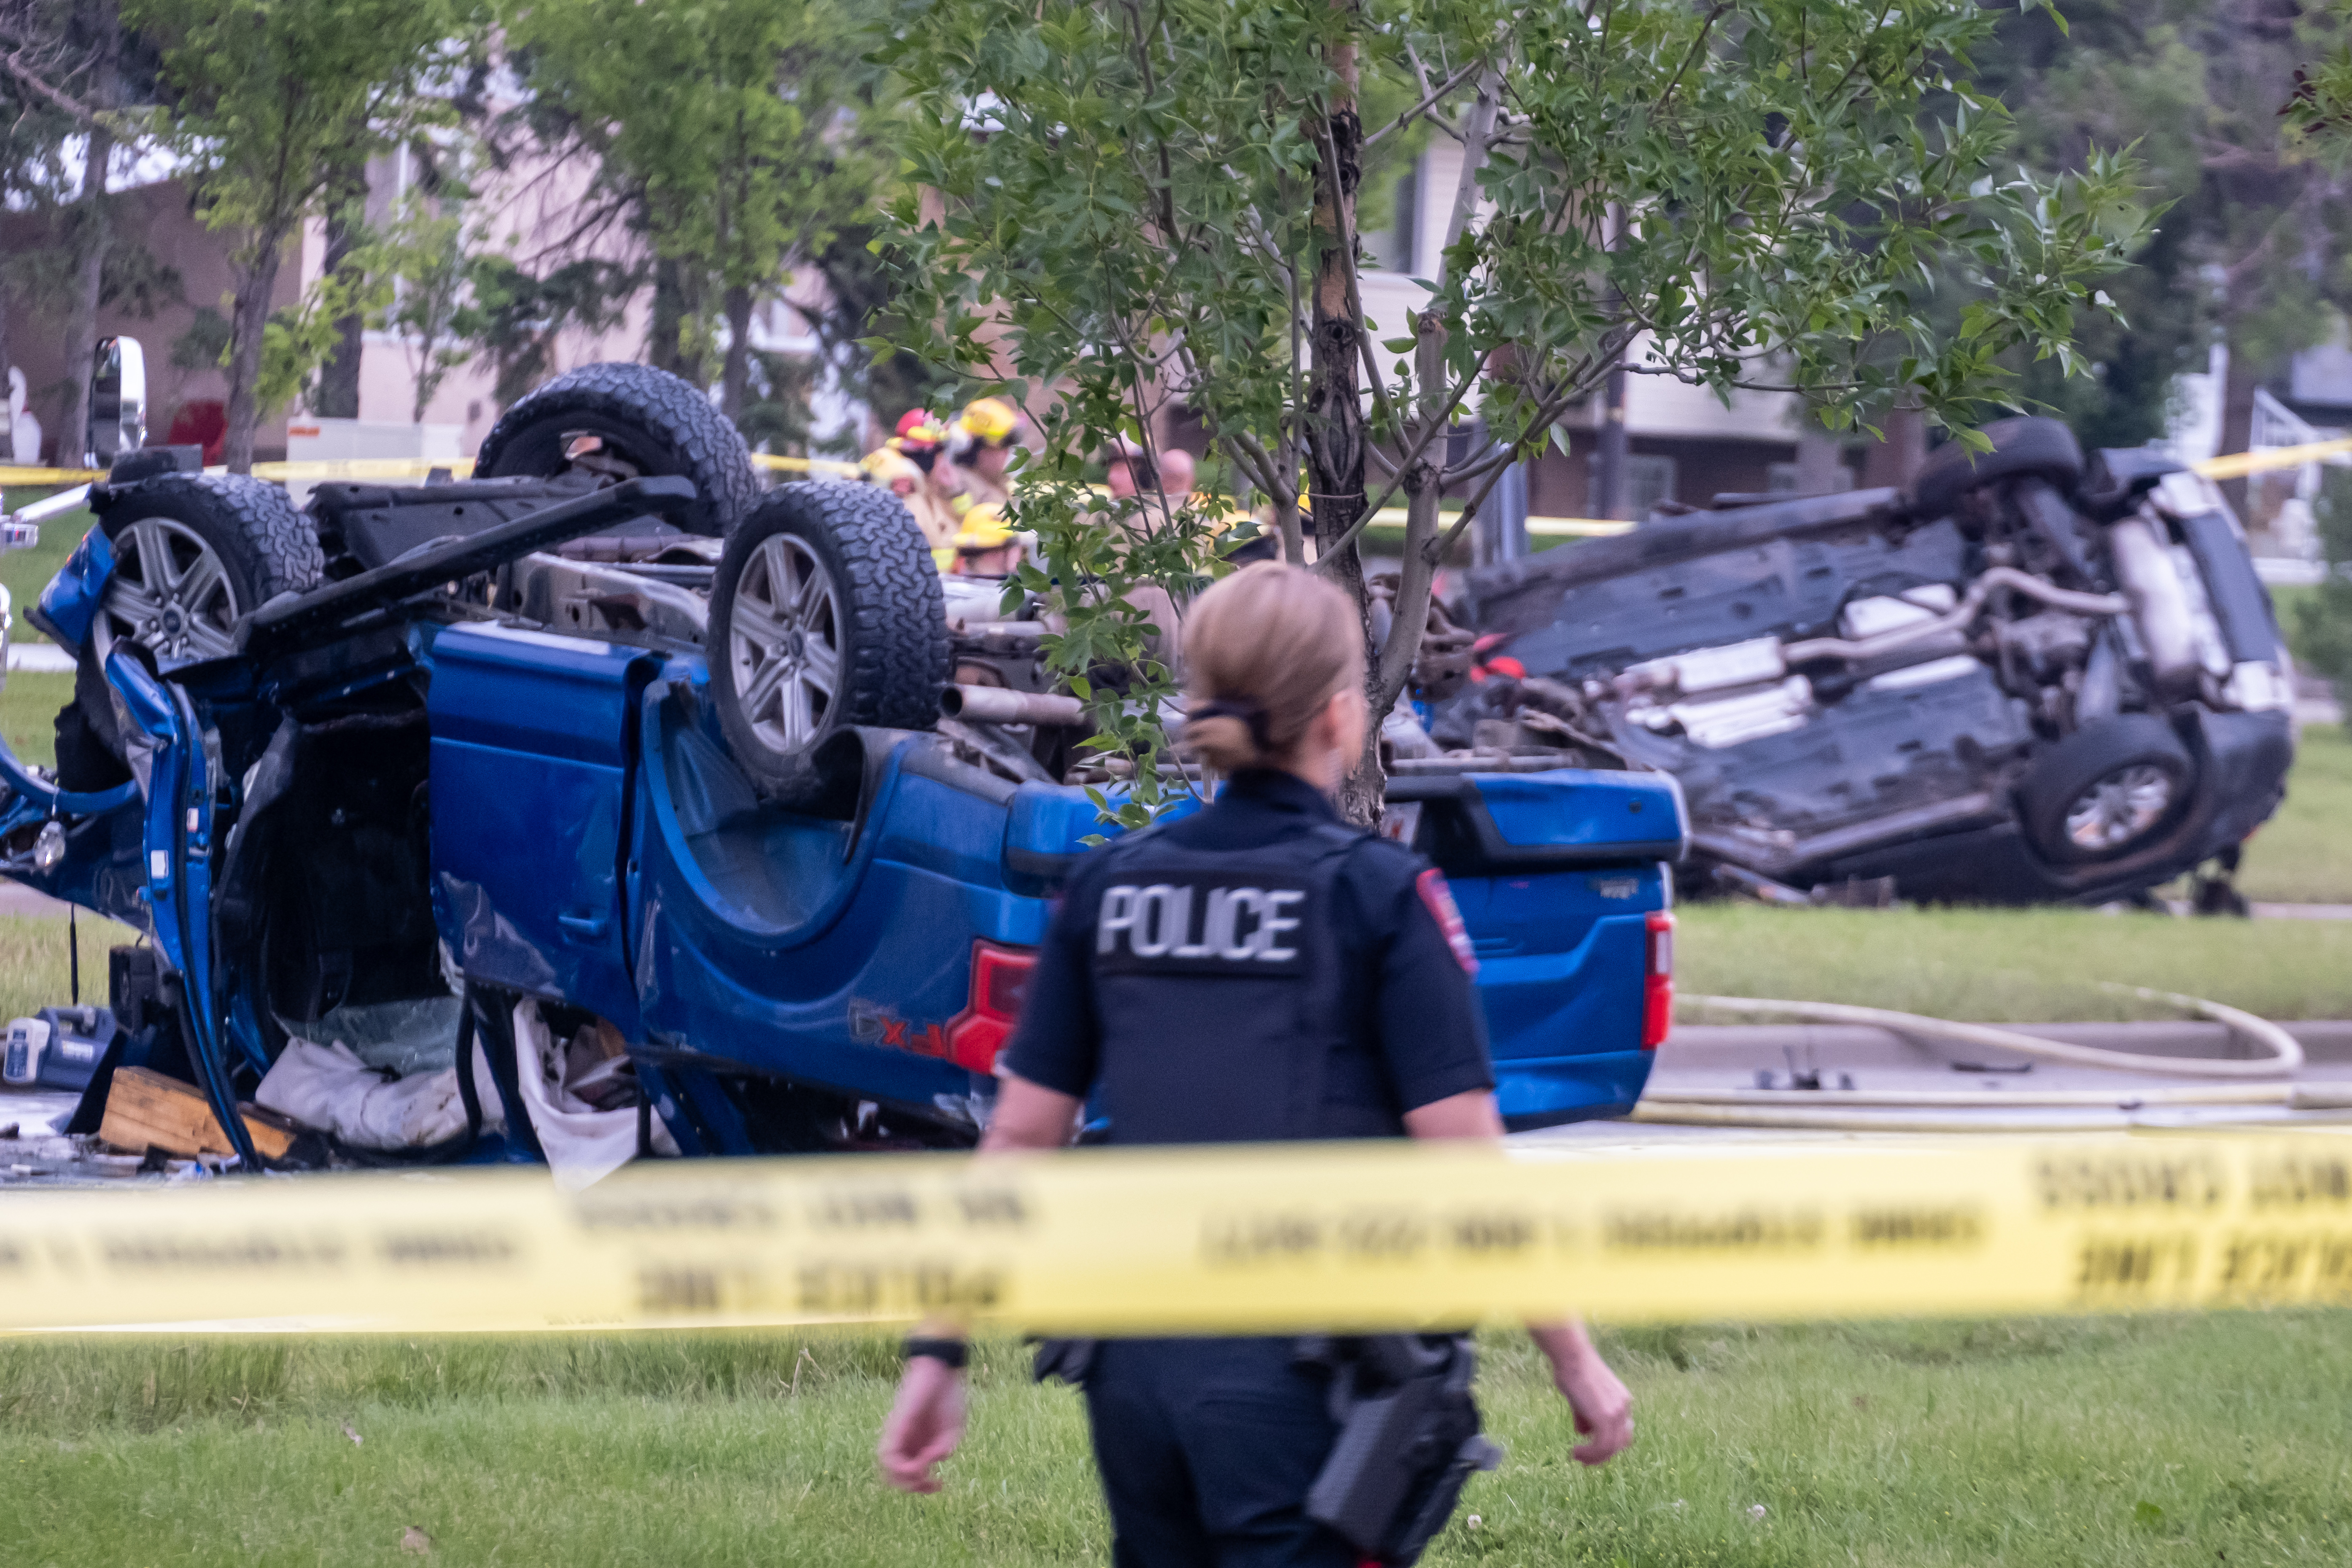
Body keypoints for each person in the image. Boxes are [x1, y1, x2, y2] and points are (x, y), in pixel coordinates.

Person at [877, 561, 1634, 1564]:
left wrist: (939, 1349)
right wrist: (1573, 1359)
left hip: (1133, 1375)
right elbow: (1466, 1167)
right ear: (1337, 717)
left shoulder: (1110, 890)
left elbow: (1016, 1141)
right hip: (1302, 1384)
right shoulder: (1378, 896)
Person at [862, 408, 965, 566]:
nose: (945, 462)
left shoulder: (927, 491)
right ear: (927, 457)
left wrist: (954, 492)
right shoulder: (911, 497)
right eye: (941, 453)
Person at [953, 396, 1024, 511]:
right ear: (976, 450)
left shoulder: (1000, 483)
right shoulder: (962, 488)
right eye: (1001, 448)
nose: (1006, 454)